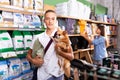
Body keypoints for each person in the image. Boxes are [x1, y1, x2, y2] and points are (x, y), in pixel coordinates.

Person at [26, 10, 74, 80]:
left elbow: (71, 57)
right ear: (44, 20)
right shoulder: (38, 37)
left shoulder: (62, 36)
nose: (50, 21)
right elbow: (28, 55)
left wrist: (59, 52)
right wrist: (33, 61)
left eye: (53, 19)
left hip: (59, 75)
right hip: (44, 76)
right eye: (47, 19)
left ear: (56, 21)